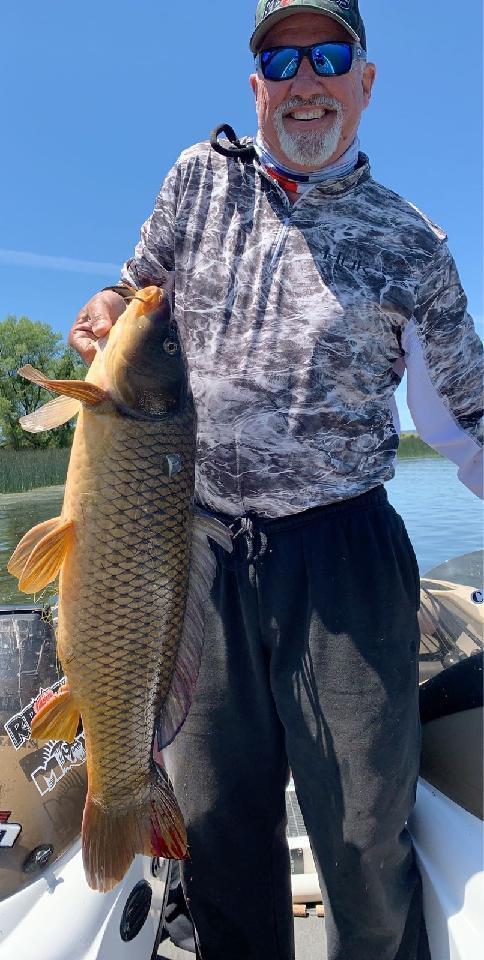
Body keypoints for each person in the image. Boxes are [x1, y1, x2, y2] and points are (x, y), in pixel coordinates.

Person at [69, 2, 483, 958]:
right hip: (189, 545)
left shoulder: (413, 244)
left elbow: (466, 418)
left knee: (363, 830)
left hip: (345, 556)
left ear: (365, 82)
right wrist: (105, 301)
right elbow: (137, 289)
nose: (305, 79)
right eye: (280, 58)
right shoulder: (195, 179)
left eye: (329, 56)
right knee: (215, 823)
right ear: (256, 84)